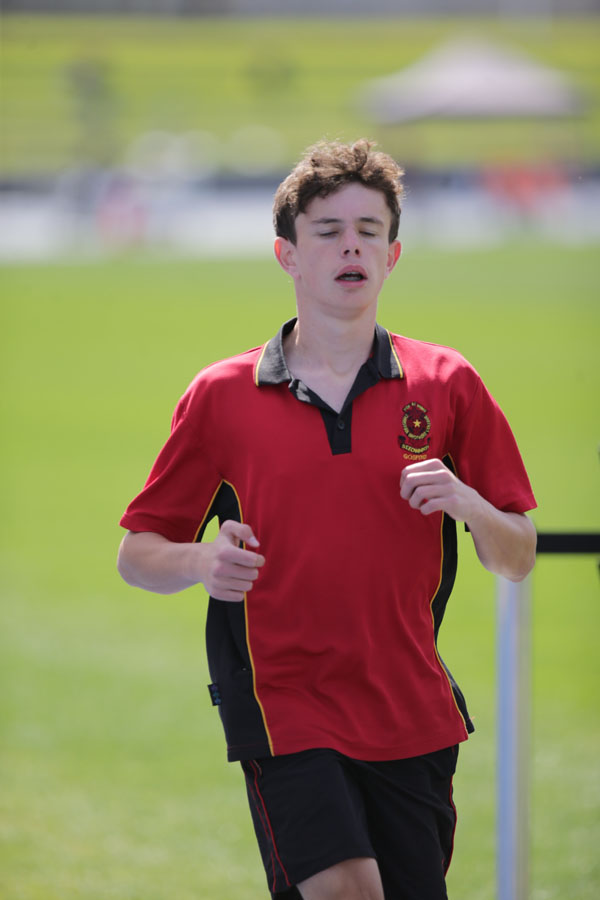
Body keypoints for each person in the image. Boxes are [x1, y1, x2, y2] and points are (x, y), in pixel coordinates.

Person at [117, 139, 537, 900]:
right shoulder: (221, 395)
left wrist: (471, 504)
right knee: (344, 889)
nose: (352, 246)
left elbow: (518, 554)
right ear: (288, 254)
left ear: (393, 255)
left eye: (369, 231)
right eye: (329, 230)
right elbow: (137, 553)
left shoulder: (448, 382)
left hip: (410, 705)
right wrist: (201, 563)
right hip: (282, 697)